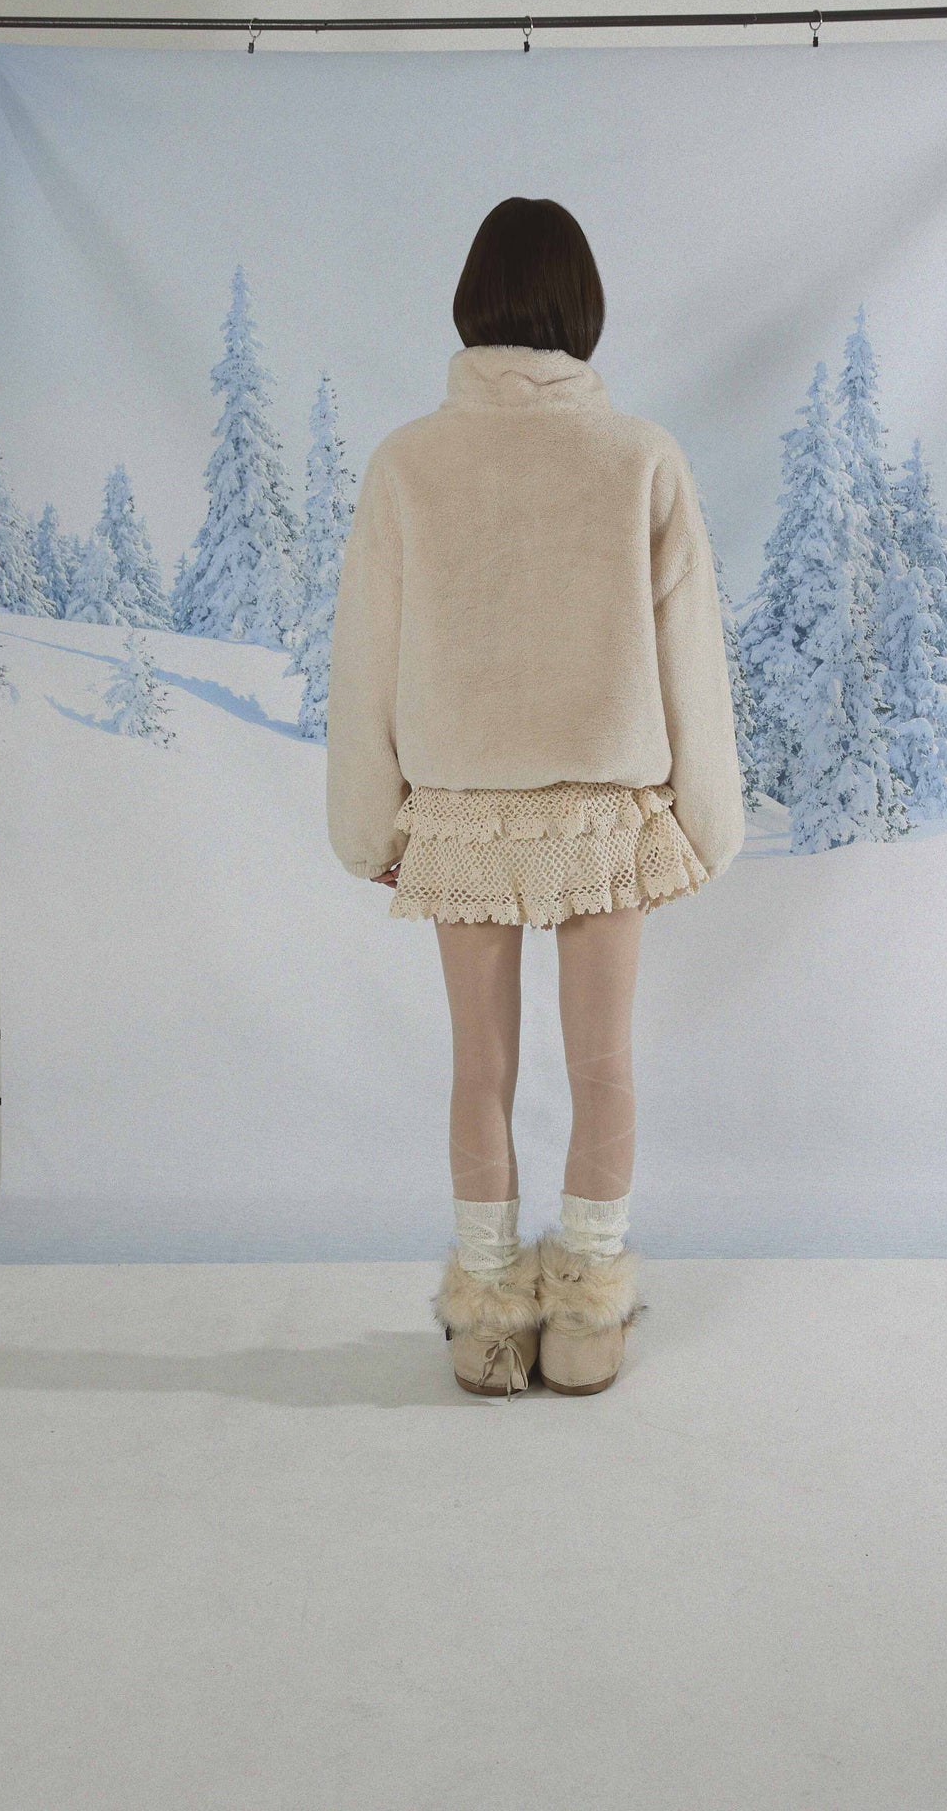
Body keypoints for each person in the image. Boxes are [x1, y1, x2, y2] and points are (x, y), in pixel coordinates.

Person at [326, 196, 744, 1398]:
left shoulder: (407, 461)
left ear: (472, 300)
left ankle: (487, 1318)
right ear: (582, 305)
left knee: (480, 1066)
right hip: (600, 813)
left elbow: (365, 654)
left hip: (462, 808)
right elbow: (690, 654)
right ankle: (587, 1315)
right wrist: (705, 818)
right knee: (603, 1063)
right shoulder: (639, 456)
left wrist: (366, 820)